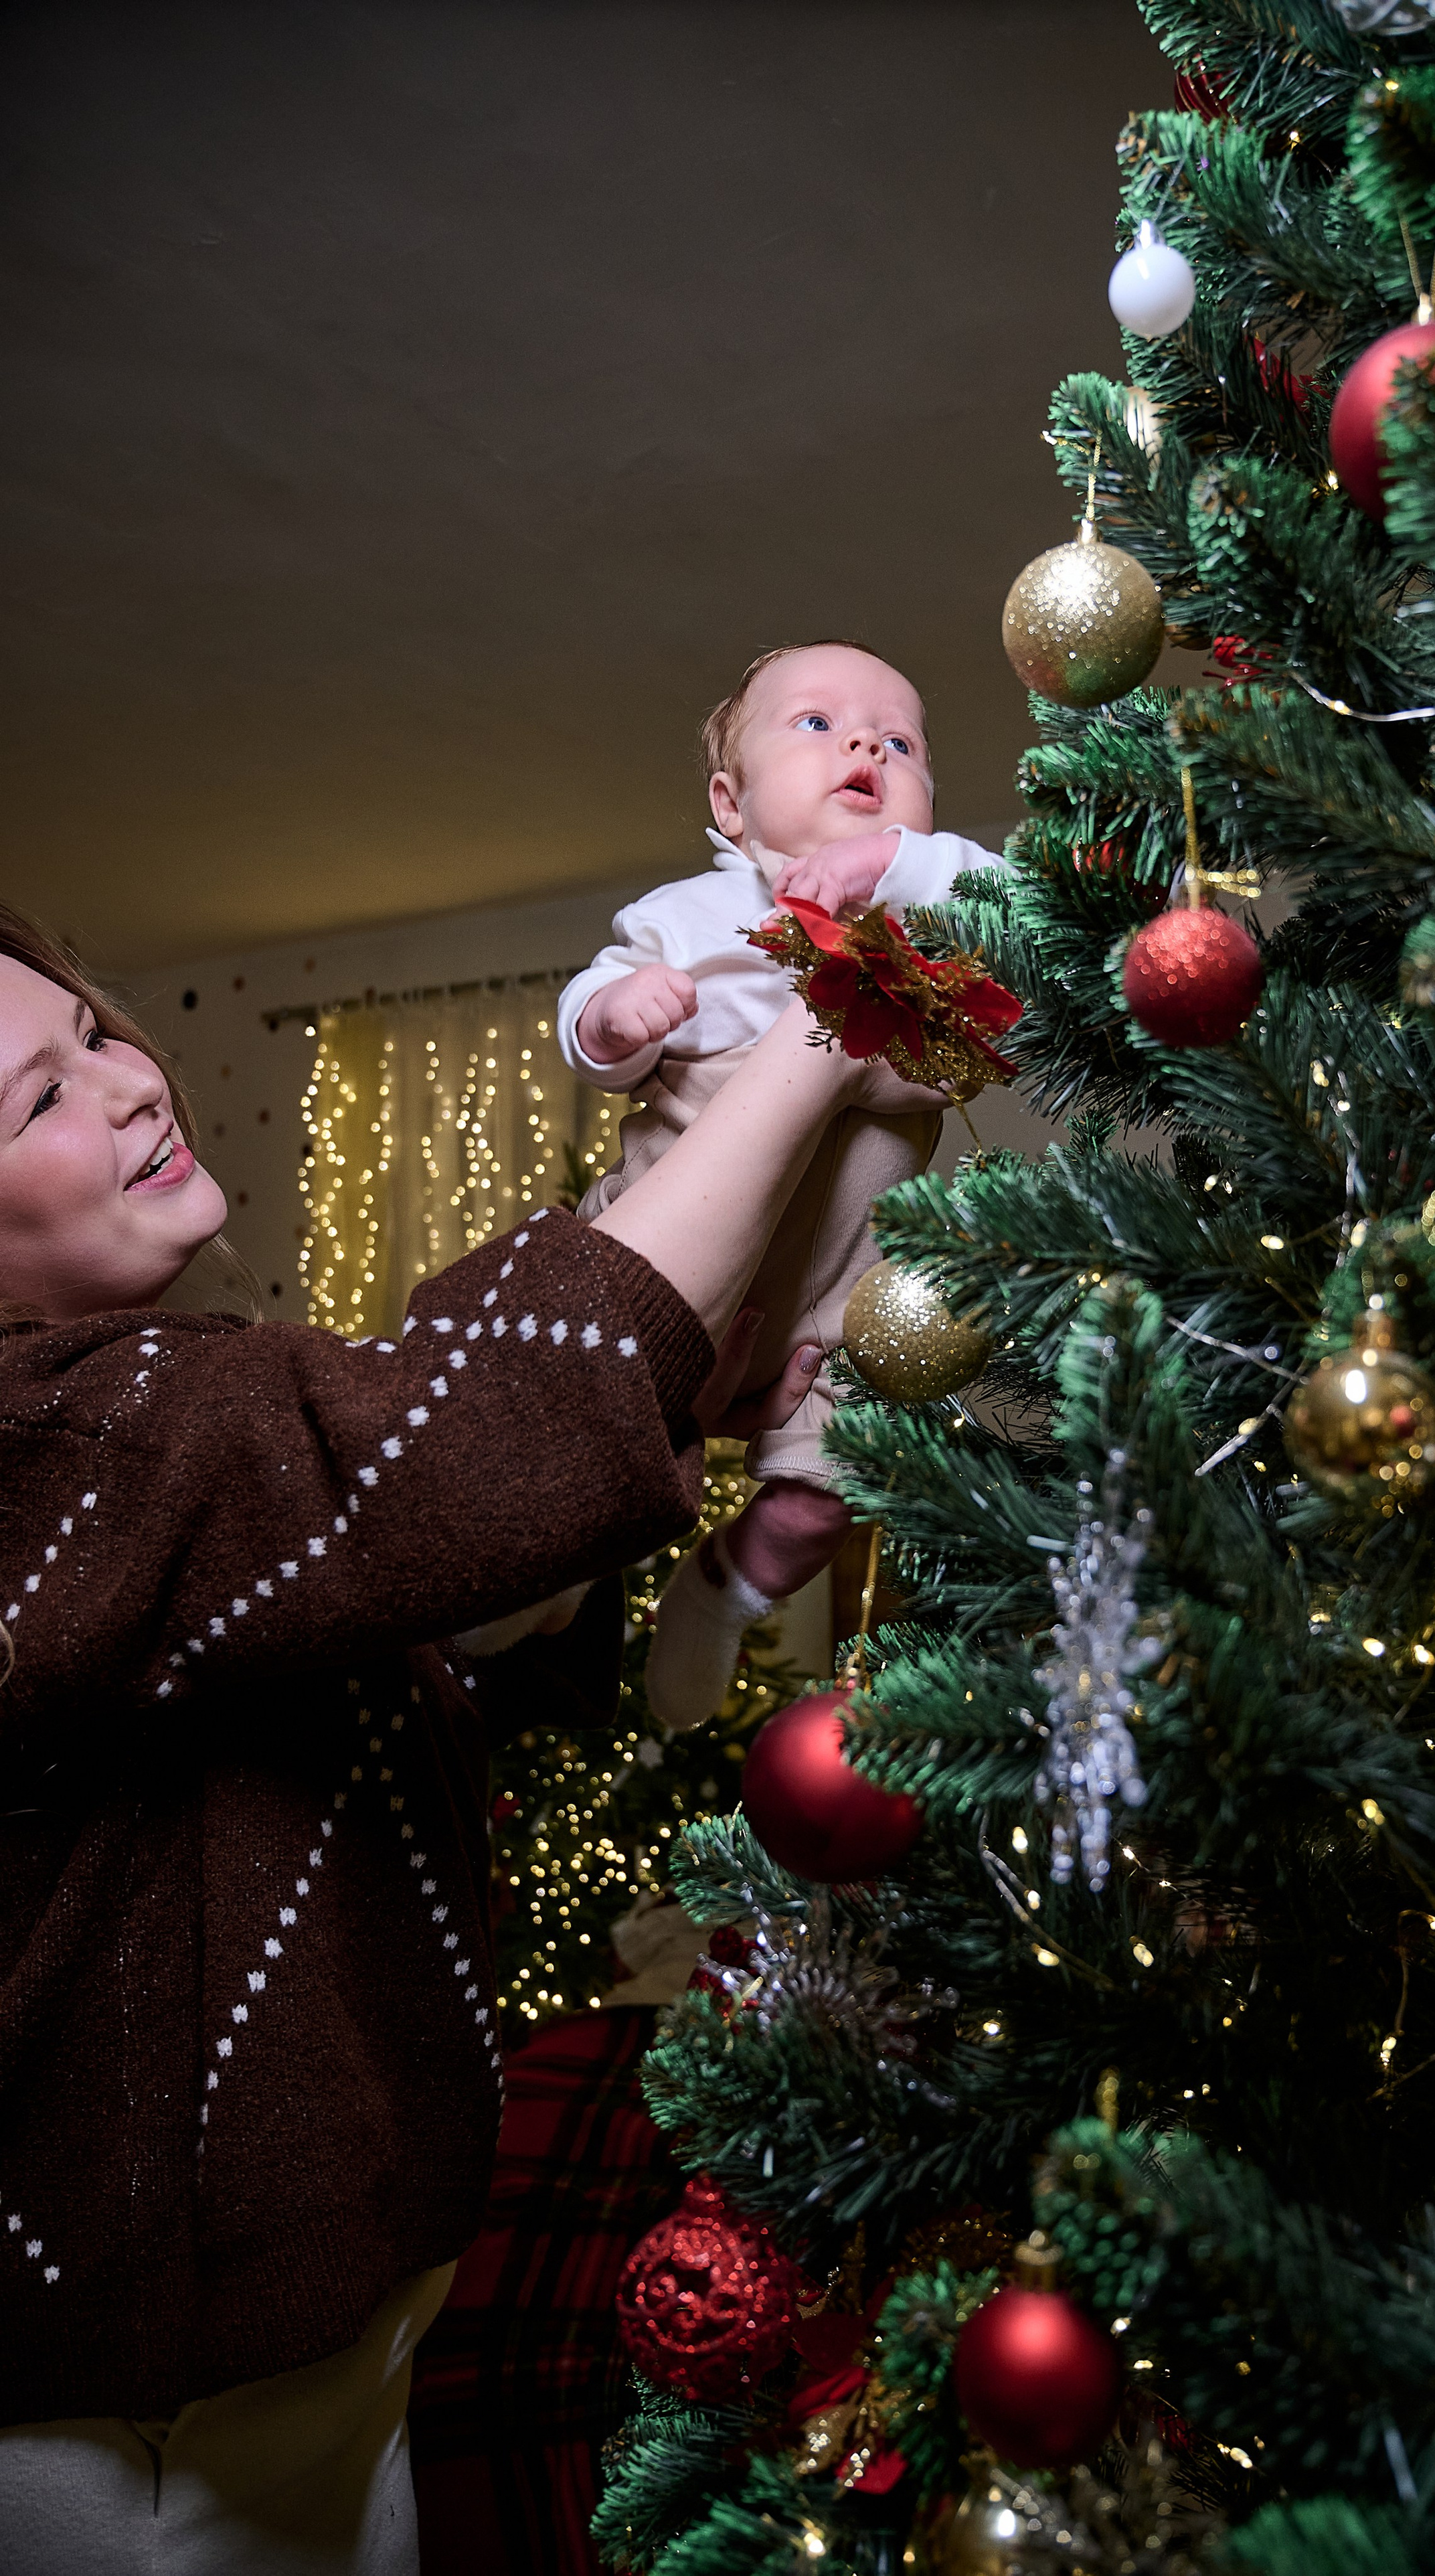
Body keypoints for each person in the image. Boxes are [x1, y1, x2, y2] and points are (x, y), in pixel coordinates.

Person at [0, 905, 940, 2575]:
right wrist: (823, 1016)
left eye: (94, 1032)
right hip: (127, 2409)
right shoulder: (52, 1450)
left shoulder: (160, 1394)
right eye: (36, 1101)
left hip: (311, 2331)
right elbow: (473, 1430)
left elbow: (424, 1604)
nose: (134, 1086)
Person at [560, 640, 1004, 1730]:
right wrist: (615, 1022)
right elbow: (593, 1003)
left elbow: (1012, 904)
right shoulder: (691, 916)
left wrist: (890, 866)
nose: (866, 744)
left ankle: (719, 1593)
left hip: (837, 1306)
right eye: (817, 725)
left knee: (820, 1503)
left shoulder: (932, 903)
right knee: (576, 1455)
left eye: (899, 742)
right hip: (659, 1265)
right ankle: (544, 1582)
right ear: (732, 804)